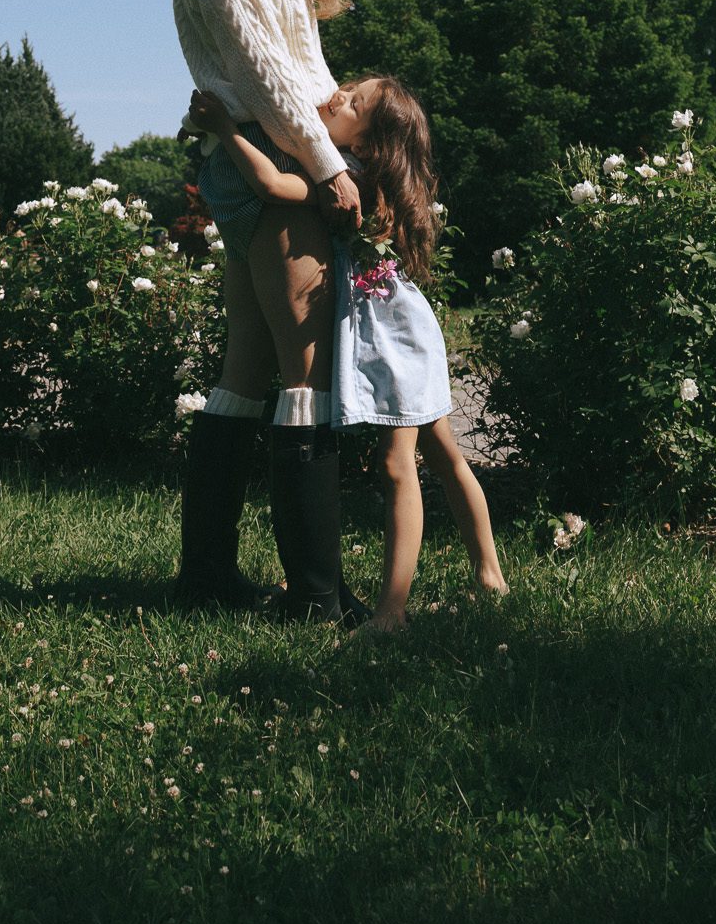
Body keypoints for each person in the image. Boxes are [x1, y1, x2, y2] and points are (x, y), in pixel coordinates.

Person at [189, 76, 509, 633]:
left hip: (398, 344)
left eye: (355, 103)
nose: (341, 95)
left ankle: (393, 610)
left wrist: (223, 131)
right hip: (393, 338)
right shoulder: (341, 163)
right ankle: (488, 572)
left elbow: (269, 185)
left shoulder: (347, 178)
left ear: (364, 145)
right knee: (444, 457)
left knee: (400, 465)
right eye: (350, 87)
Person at [171, 0, 364, 620]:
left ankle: (207, 577)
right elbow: (259, 70)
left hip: (276, 150)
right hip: (271, 155)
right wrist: (328, 167)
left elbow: (305, 70)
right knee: (305, 372)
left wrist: (348, 149)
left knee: (246, 370)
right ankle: (316, 596)